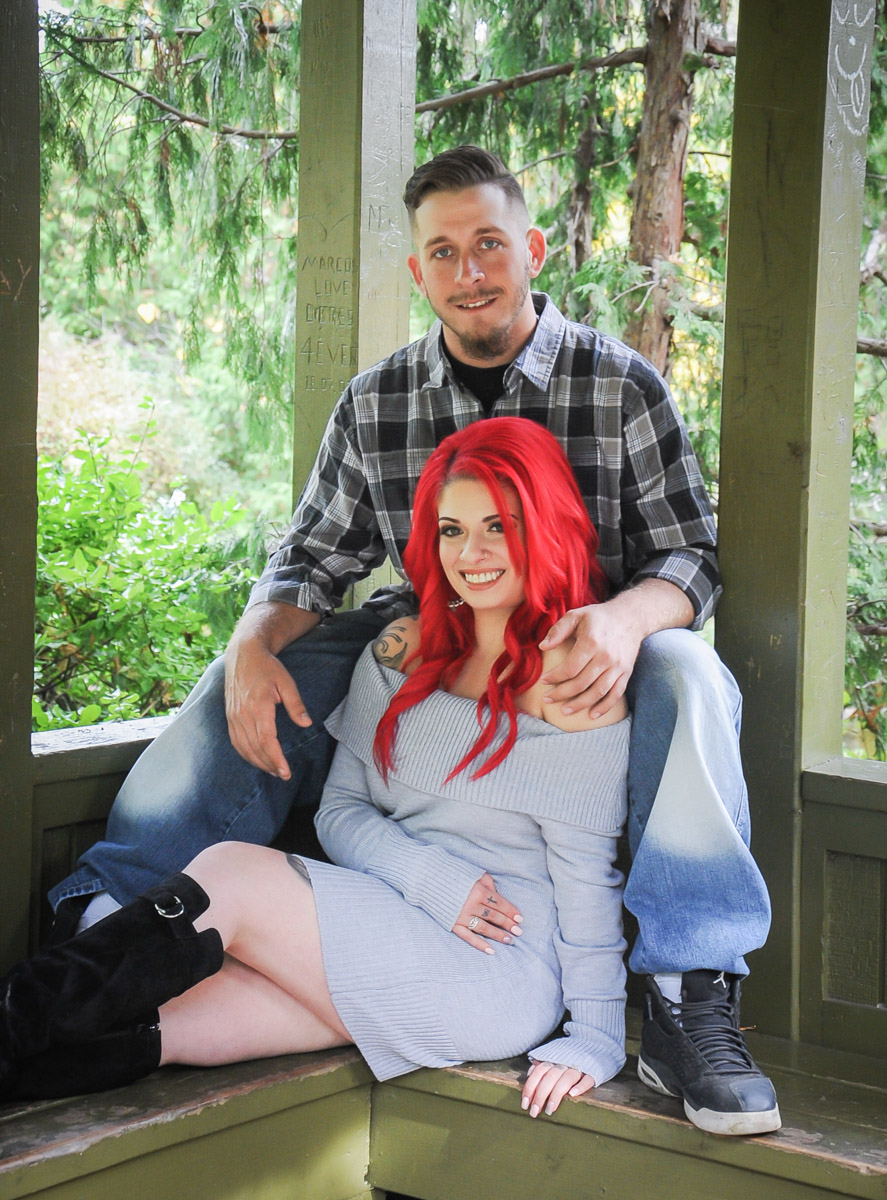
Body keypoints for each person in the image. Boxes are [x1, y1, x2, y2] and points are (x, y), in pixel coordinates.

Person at [47, 145, 778, 1135]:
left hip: (586, 649)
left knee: (689, 672)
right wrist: (253, 639)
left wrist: (624, 618)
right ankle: (110, 915)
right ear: (417, 271)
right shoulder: (377, 401)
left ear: (531, 249)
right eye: (443, 252)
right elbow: (311, 558)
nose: (468, 272)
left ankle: (690, 989)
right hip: (436, 631)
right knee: (253, 663)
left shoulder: (618, 385)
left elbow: (690, 555)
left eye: (488, 245)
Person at [3, 419, 629, 1119]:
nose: (471, 554)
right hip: (393, 910)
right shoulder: (399, 649)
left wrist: (597, 1038)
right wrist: (428, 876)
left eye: (498, 527)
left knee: (231, 873)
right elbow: (341, 812)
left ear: (543, 527)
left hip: (497, 964)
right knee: (166, 1022)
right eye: (451, 530)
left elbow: (588, 884)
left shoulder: (571, 680)